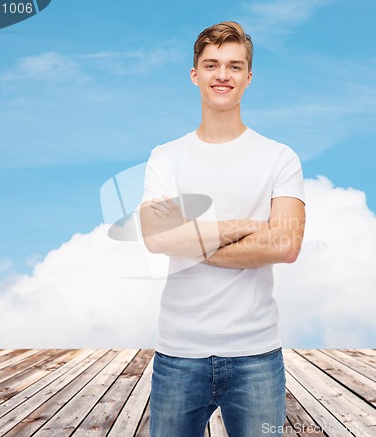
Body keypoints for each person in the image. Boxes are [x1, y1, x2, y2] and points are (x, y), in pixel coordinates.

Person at [139, 21, 306, 437]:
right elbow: (155, 237)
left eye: (234, 66)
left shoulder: (279, 157)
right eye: (211, 65)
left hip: (257, 355)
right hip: (178, 354)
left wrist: (189, 237)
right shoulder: (165, 158)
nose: (222, 75)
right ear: (194, 74)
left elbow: (285, 243)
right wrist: (243, 228)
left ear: (249, 77)